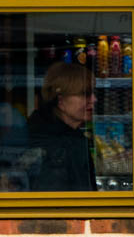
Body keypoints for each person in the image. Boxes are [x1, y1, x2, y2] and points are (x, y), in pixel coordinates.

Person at [25, 62, 97, 191]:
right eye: (85, 94)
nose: (93, 99)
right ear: (60, 100)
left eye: (92, 93)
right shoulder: (53, 144)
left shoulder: (71, 137)